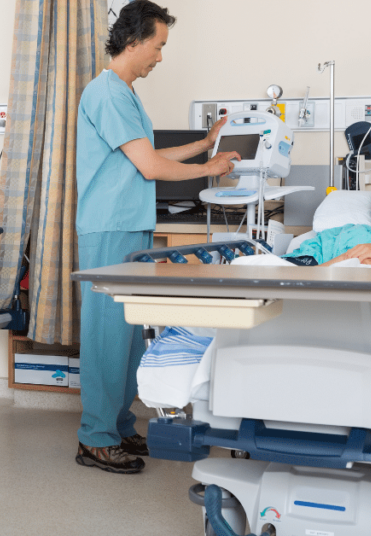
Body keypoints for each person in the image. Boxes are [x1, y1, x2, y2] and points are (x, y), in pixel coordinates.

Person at [75, 0, 241, 474]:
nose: (161, 57)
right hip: (110, 224)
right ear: (133, 39)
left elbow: (144, 153)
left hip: (131, 222)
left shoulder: (124, 93)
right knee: (106, 334)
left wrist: (203, 144)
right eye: (159, 45)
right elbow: (149, 166)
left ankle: (121, 424)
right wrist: (208, 169)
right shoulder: (106, 92)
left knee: (128, 332)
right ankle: (95, 437)